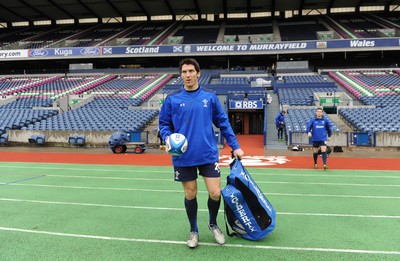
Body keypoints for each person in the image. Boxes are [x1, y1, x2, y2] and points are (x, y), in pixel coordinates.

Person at [159, 58, 244, 249]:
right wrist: (168, 137)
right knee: (191, 194)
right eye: (184, 72)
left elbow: (223, 123)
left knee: (215, 193)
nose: (187, 75)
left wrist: (235, 145)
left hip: (207, 153)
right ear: (181, 75)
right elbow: (164, 124)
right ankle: (194, 230)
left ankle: (213, 224)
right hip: (183, 156)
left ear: (198, 73)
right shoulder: (172, 99)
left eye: (191, 71)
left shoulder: (210, 98)